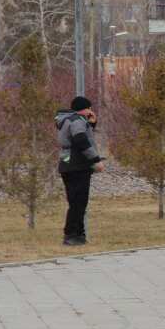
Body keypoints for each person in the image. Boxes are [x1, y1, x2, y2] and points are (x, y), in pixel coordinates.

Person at [55, 96, 104, 246]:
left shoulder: (70, 120)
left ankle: (79, 234)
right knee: (78, 203)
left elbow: (81, 136)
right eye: (88, 108)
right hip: (76, 165)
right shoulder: (77, 121)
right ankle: (70, 235)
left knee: (77, 202)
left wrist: (92, 124)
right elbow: (81, 140)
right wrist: (96, 160)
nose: (90, 110)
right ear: (82, 109)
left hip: (69, 163)